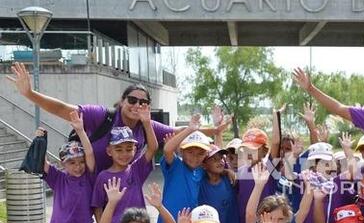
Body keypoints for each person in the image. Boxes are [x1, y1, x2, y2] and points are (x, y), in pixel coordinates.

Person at [4, 62, 232, 173]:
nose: (137, 105)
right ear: (122, 101)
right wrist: (30, 94)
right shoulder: (102, 115)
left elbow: (180, 133)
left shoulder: (147, 126)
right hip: (87, 182)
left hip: (119, 187)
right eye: (132, 100)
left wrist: (214, 131)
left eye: (143, 102)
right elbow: (64, 109)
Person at [90, 105, 158, 223]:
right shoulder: (103, 176)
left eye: (128, 149)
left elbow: (153, 148)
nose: (124, 154)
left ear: (135, 150)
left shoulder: (136, 169)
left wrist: (147, 123)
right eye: (119, 149)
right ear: (109, 151)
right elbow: (97, 207)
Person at [158, 114, 208, 223]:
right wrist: (190, 129)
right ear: (181, 151)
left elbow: (218, 161)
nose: (195, 157)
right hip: (168, 222)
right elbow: (167, 149)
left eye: (200, 153)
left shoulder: (201, 171)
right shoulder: (175, 165)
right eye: (190, 152)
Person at [199, 144, 240, 223]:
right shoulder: (199, 183)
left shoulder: (230, 179)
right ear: (204, 164)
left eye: (221, 158)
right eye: (214, 159)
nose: (220, 162)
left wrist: (228, 171)